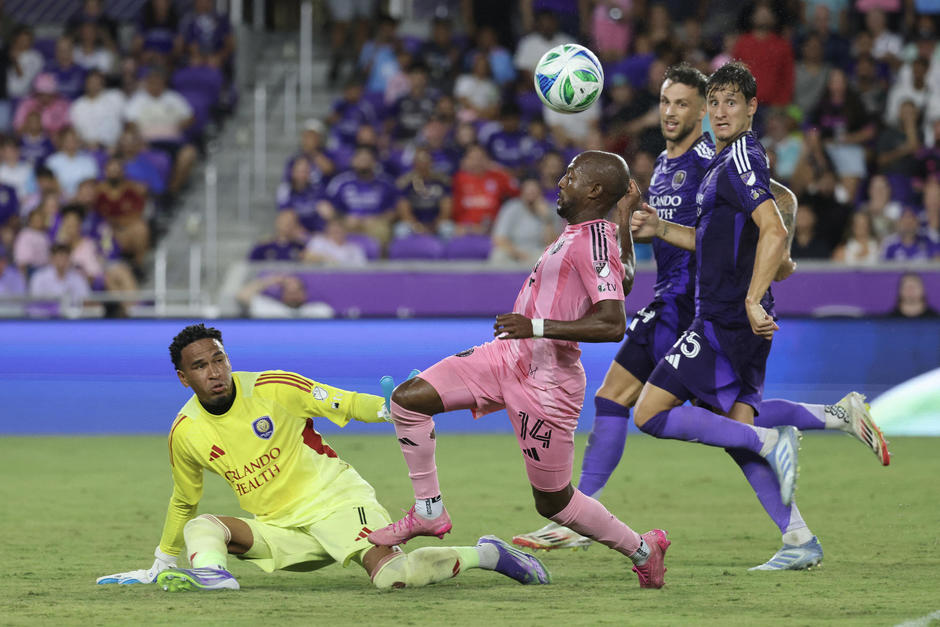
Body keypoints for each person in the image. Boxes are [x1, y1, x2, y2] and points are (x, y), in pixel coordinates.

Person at [368, 150, 675, 590]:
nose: (560, 181)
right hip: (506, 356)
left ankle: (644, 550)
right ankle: (429, 511)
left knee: (553, 503)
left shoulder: (592, 240)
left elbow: (613, 321)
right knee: (408, 400)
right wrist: (624, 213)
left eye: (571, 175)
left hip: (547, 382)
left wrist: (534, 325)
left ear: (593, 190)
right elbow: (623, 277)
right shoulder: (592, 233)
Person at [629, 62, 889, 570]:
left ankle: (775, 441)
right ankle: (802, 531)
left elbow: (772, 226)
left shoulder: (741, 160)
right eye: (717, 102)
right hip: (734, 318)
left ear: (752, 108)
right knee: (737, 425)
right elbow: (731, 242)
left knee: (650, 413)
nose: (723, 112)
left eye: (733, 102)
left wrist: (751, 297)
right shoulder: (727, 163)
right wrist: (662, 229)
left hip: (726, 321)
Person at [96, 324, 551, 591]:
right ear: (182, 378)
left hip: (335, 502)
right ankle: (211, 579)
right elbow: (183, 500)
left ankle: (487, 554)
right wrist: (163, 560)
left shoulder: (275, 386)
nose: (214, 372)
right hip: (278, 528)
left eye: (219, 360)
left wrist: (395, 407)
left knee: (393, 579)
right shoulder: (185, 432)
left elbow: (345, 403)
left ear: (228, 358)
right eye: (200, 367)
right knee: (203, 525)